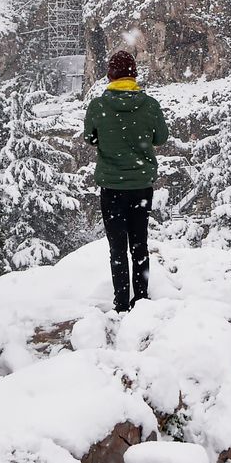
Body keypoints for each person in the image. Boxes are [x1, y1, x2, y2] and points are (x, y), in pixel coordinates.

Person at [83, 50, 169, 313]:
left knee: (117, 249)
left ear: (110, 75)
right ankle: (141, 300)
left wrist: (109, 140)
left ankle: (121, 304)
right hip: (140, 186)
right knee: (139, 244)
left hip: (112, 187)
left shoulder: (98, 106)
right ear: (134, 75)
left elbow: (90, 138)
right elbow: (161, 138)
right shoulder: (150, 105)